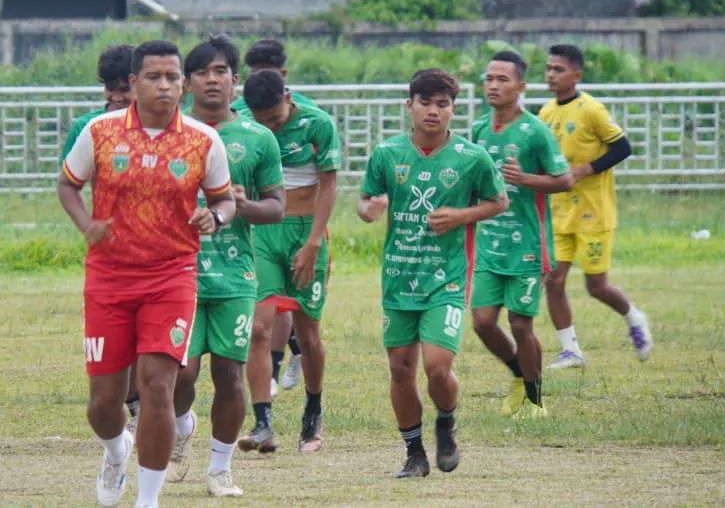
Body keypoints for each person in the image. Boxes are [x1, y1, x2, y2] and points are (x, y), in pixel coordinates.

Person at [58, 40, 236, 508]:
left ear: (183, 84)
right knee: (103, 404)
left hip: (171, 277)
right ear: (133, 84)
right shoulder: (99, 132)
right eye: (154, 77)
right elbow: (68, 184)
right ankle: (116, 449)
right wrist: (85, 224)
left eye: (173, 77)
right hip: (109, 278)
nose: (165, 85)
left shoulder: (203, 140)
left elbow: (225, 199)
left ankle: (148, 500)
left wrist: (214, 217)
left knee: (157, 384)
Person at [358, 68, 507, 478]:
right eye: (425, 103)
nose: (433, 112)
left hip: (447, 279)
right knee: (400, 369)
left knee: (437, 368)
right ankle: (414, 454)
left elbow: (499, 201)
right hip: (398, 278)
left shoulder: (471, 158)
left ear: (453, 110)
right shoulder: (387, 154)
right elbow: (367, 200)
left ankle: (446, 420)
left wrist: (461, 215)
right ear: (409, 106)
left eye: (442, 104)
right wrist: (368, 209)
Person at [168, 36, 285, 497]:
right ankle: (181, 423)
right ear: (187, 82)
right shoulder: (173, 134)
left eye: (221, 71)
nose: (212, 80)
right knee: (180, 372)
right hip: (178, 274)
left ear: (236, 81)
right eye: (202, 72)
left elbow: (277, 207)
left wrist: (244, 204)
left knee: (229, 375)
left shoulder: (258, 139)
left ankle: (220, 469)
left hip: (235, 277)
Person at [238, 70, 340, 454]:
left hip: (304, 233)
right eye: (261, 121)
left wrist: (314, 242)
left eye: (275, 120)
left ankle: (313, 412)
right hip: (263, 233)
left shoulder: (317, 124)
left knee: (308, 333)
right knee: (258, 329)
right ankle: (262, 421)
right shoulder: (245, 125)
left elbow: (329, 185)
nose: (268, 128)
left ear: (288, 96)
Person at [470, 52, 573, 418]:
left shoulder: (535, 132)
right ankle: (518, 374)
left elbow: (565, 180)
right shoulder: (480, 129)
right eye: (489, 79)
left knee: (519, 322)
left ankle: (534, 399)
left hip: (528, 245)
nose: (494, 85)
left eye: (503, 79)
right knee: (482, 322)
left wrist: (525, 179)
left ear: (521, 87)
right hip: (489, 245)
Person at [539, 44, 653, 369]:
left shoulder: (592, 110)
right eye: (548, 68)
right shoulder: (545, 112)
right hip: (559, 212)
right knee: (554, 280)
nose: (551, 74)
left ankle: (634, 318)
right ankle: (571, 350)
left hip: (593, 213)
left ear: (577, 74)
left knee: (596, 286)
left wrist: (585, 169)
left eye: (558, 69)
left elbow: (624, 148)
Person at [57, 43, 141, 432]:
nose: (116, 96)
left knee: (151, 340)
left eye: (123, 87)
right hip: (111, 255)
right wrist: (87, 224)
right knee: (117, 341)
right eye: (109, 87)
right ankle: (129, 405)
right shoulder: (89, 128)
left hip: (164, 252)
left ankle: (146, 405)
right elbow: (70, 184)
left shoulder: (167, 126)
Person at [235, 39, 315, 398]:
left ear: (284, 77)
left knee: (290, 307)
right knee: (266, 308)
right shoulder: (238, 113)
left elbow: (326, 177)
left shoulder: (310, 117)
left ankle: (290, 358)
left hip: (297, 223)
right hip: (257, 222)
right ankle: (271, 370)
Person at [60, 44, 135, 164]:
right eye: (110, 88)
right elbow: (67, 180)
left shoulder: (153, 127)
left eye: (124, 90)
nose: (116, 98)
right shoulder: (84, 127)